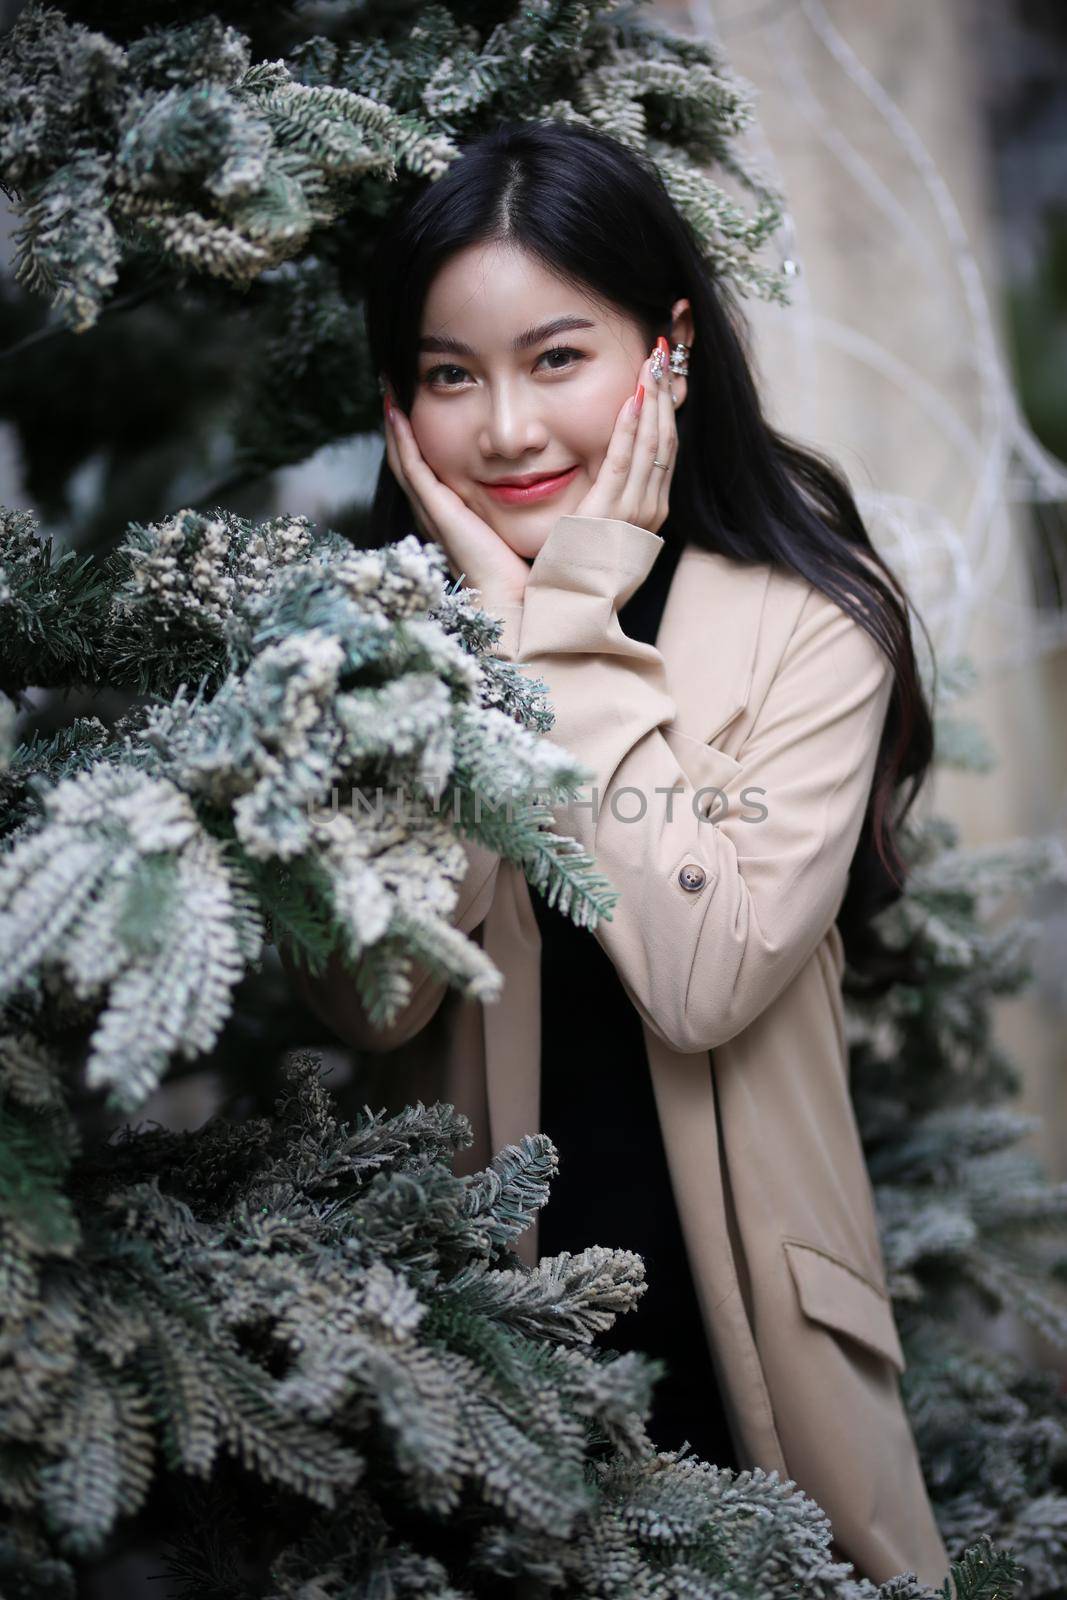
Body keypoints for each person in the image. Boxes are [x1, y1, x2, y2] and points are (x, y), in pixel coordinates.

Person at [283, 119, 950, 1588]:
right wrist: (473, 651)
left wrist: (569, 628)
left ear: (670, 350)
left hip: (749, 1376)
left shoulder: (809, 624)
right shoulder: (364, 648)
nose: (506, 429)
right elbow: (377, 993)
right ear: (400, 399)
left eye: (557, 358)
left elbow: (704, 982)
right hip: (472, 1366)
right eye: (452, 375)